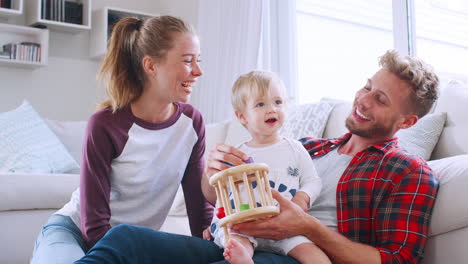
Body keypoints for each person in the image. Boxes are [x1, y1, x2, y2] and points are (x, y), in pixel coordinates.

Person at [73, 50, 439, 264]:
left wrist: (303, 225)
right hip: (235, 239)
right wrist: (211, 173)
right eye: (367, 87)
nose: (363, 99)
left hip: (291, 254)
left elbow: (397, 259)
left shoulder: (407, 171)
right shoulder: (309, 146)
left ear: (407, 121)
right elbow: (216, 195)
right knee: (124, 240)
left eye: (381, 99)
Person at [30, 16, 212, 264]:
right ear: (150, 66)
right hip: (74, 232)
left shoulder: (192, 123)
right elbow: (93, 223)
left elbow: (198, 207)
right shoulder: (106, 124)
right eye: (188, 61)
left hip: (130, 243)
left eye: (198, 60)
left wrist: (214, 249)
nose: (198, 71)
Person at [204, 70, 328, 264]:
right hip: (247, 226)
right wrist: (217, 223)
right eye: (261, 104)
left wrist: (302, 199)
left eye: (277, 102)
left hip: (285, 228)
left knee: (317, 257)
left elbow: (312, 181)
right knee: (236, 242)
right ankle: (244, 258)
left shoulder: (295, 149)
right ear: (242, 116)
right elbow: (224, 197)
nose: (271, 109)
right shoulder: (238, 154)